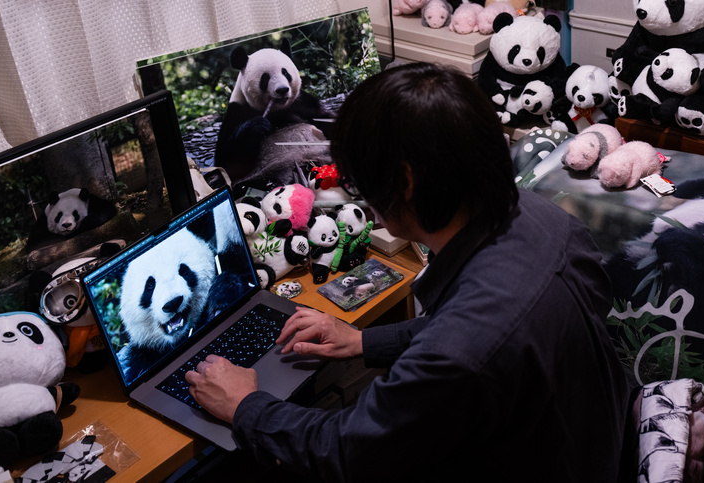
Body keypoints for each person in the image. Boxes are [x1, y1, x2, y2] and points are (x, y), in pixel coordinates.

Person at [186, 61, 632, 481]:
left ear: (404, 182)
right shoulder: (549, 222)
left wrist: (245, 405)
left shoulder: (460, 353)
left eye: (358, 183)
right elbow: (483, 335)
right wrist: (362, 340)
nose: (360, 199)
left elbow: (346, 452)